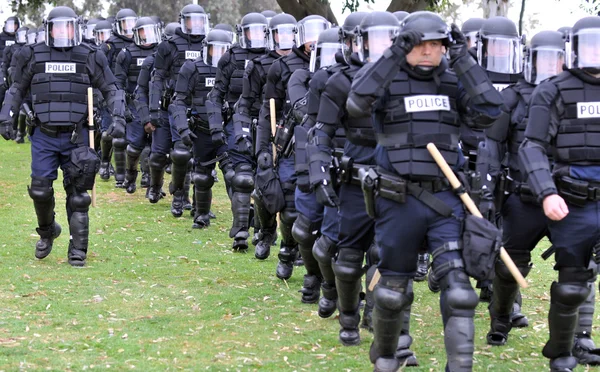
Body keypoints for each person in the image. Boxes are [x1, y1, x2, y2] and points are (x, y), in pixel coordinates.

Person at [347, 11, 503, 371]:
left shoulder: (452, 81)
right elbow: (357, 103)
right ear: (406, 45)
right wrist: (391, 55)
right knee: (392, 291)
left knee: (461, 292)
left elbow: (492, 110)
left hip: (447, 200)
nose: (429, 51)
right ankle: (388, 357)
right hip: (396, 199)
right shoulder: (386, 81)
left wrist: (464, 59)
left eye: (436, 44)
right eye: (420, 44)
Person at [0, 6, 126, 267]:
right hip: (43, 135)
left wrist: (118, 117)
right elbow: (16, 88)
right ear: (49, 29)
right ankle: (48, 232)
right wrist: (6, 115)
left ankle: (77, 250)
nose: (62, 32)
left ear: (75, 28)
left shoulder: (90, 55)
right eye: (57, 27)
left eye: (67, 26)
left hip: (77, 136)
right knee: (39, 190)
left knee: (79, 195)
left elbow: (112, 88)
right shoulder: (32, 54)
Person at [519, 15, 600, 372]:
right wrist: (547, 193)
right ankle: (563, 356)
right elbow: (532, 146)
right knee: (573, 281)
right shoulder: (551, 89)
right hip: (573, 199)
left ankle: (583, 340)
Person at [479, 30, 565, 346]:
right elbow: (491, 146)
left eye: (554, 59)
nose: (548, 65)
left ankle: (577, 337)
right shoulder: (511, 98)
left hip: (566, 199)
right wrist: (487, 192)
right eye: (541, 58)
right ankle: (500, 319)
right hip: (521, 198)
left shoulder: (575, 96)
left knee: (577, 271)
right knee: (508, 266)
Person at [254, 14, 330, 280]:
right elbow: (268, 109)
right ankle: (287, 249)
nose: (314, 39)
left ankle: (310, 255)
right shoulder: (282, 67)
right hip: (290, 140)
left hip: (325, 140)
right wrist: (263, 148)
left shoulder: (334, 64)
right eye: (309, 32)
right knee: (288, 208)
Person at [233, 13, 297, 258]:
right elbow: (247, 104)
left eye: (289, 34)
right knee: (265, 186)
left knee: (293, 192)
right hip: (268, 126)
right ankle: (266, 231)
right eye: (279, 34)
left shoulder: (306, 63)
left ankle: (291, 244)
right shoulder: (259, 65)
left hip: (296, 133)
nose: (285, 40)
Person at [206, 12, 269, 251]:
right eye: (249, 32)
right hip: (237, 121)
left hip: (268, 123)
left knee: (266, 177)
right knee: (241, 177)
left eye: (258, 32)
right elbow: (215, 97)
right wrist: (216, 128)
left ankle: (264, 229)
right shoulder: (230, 58)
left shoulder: (274, 59)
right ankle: (241, 230)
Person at [148, 4, 209, 215]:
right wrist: (153, 110)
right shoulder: (169, 46)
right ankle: (178, 197)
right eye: (193, 20)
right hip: (174, 106)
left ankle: (199, 204)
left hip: (201, 108)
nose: (197, 25)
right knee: (180, 154)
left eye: (201, 20)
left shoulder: (209, 44)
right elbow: (157, 78)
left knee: (199, 158)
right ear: (184, 20)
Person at [169, 29, 232, 229]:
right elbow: (178, 101)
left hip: (228, 129)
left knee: (233, 173)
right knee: (202, 174)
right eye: (216, 49)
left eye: (224, 50)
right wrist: (183, 129)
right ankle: (201, 214)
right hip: (202, 129)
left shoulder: (236, 70)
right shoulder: (192, 68)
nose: (219, 54)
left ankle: (244, 220)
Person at [115, 17, 161, 194]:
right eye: (144, 31)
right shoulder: (126, 53)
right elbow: (119, 81)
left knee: (154, 146)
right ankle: (130, 175)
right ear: (137, 33)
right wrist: (122, 106)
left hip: (156, 103)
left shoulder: (161, 52)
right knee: (135, 145)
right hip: (135, 103)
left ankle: (149, 179)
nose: (147, 35)